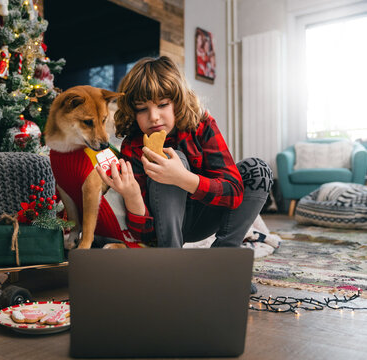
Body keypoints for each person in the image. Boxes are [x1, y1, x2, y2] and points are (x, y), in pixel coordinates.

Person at [95, 56, 273, 293]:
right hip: (165, 229)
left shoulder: (202, 125)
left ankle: (222, 264)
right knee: (172, 157)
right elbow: (145, 234)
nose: (154, 117)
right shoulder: (133, 146)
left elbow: (234, 191)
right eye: (142, 109)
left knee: (258, 169)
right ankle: (173, 268)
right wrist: (132, 195)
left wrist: (183, 179)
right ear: (133, 112)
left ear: (177, 102)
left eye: (162, 105)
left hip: (205, 214)